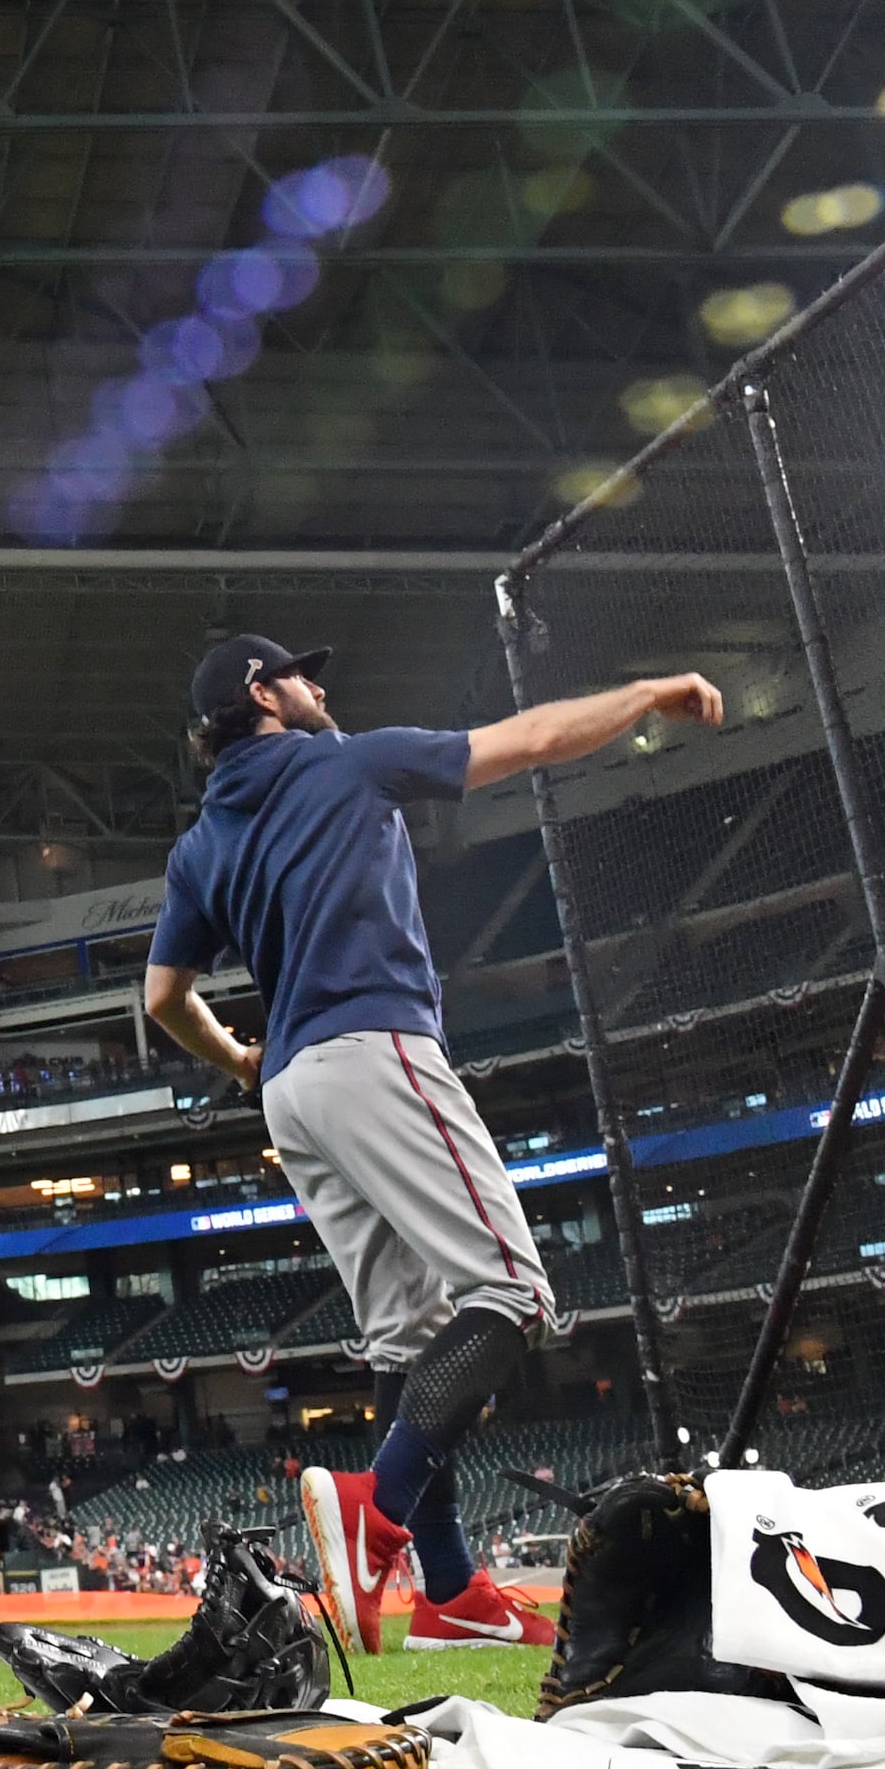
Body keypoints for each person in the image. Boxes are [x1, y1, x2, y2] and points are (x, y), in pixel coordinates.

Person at [143, 635, 719, 1657]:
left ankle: (448, 1590)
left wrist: (240, 1062)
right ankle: (381, 1510)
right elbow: (531, 738)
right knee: (511, 1294)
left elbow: (162, 999)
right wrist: (643, 688)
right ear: (260, 691)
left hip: (291, 1091)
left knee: (404, 1342)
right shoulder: (344, 759)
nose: (324, 686)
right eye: (304, 674)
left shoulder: (197, 845)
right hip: (374, 1048)